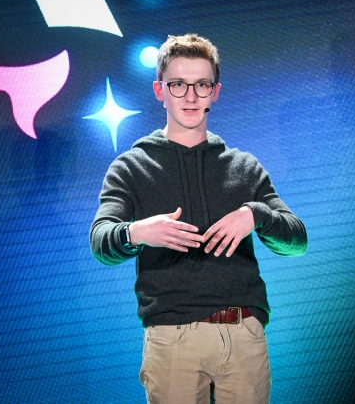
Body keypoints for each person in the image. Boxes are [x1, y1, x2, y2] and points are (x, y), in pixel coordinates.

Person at [90, 33, 307, 404]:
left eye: (201, 84)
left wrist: (254, 215)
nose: (190, 96)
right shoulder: (130, 167)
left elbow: (297, 240)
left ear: (215, 92)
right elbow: (101, 240)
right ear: (160, 90)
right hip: (173, 338)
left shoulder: (244, 167)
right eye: (178, 84)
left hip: (243, 333)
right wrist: (139, 231)